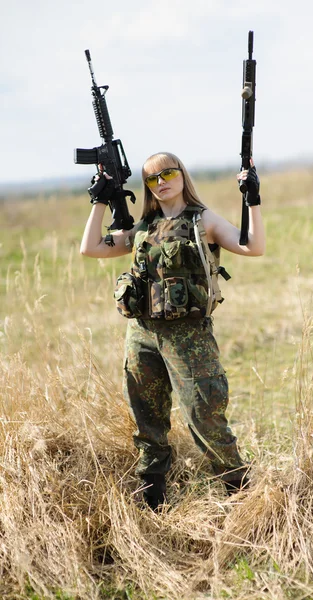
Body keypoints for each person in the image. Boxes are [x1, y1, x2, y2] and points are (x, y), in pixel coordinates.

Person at [80, 151, 265, 510]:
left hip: (189, 338)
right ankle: (154, 503)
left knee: (205, 417)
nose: (161, 182)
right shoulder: (143, 227)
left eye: (167, 173)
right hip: (143, 334)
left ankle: (243, 500)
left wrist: (253, 199)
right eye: (151, 178)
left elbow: (252, 246)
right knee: (147, 421)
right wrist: (100, 200)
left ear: (182, 175)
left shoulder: (203, 220)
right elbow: (90, 248)